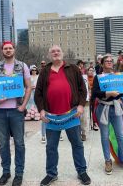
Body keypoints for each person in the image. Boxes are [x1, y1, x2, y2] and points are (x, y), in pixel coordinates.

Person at [34, 45, 91, 186]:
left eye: (58, 51)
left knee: (77, 144)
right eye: (52, 51)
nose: (55, 53)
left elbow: (82, 89)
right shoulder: (45, 71)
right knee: (51, 147)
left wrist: (80, 105)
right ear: (49, 55)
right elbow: (38, 93)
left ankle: (81, 171)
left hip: (71, 114)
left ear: (62, 53)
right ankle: (51, 174)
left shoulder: (73, 69)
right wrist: (41, 110)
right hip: (51, 117)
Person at [0, 41, 32, 186]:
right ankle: (6, 171)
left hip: (16, 110)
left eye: (10, 48)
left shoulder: (22, 66)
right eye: (5, 48)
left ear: (14, 49)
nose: (8, 50)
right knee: (3, 144)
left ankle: (19, 173)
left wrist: (24, 105)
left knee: (19, 143)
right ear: (2, 50)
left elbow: (28, 87)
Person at [92, 54, 123, 175]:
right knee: (105, 136)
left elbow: (122, 93)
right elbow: (95, 92)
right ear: (102, 64)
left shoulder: (118, 76)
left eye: (111, 61)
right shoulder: (98, 77)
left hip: (116, 107)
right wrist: (108, 93)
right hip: (103, 108)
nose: (109, 62)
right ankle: (107, 160)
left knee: (120, 135)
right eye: (106, 61)